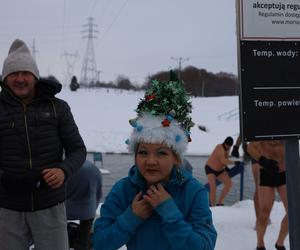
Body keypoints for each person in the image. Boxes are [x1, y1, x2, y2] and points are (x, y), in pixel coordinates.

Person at [93, 74, 217, 250]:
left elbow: (204, 247)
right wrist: (131, 217)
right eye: (143, 152)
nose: (151, 161)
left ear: (176, 158)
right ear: (134, 155)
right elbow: (99, 243)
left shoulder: (193, 192)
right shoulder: (124, 190)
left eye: (161, 153)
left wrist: (169, 211)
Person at [0, 39, 86, 250]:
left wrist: (63, 171)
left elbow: (78, 150)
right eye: (13, 73)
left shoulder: (58, 108)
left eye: (25, 73)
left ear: (35, 76)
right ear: (4, 78)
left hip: (49, 205)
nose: (20, 79)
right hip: (7, 207)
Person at [247, 140, 288, 250]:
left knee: (293, 212)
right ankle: (260, 245)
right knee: (264, 212)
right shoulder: (265, 126)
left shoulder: (287, 126)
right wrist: (263, 161)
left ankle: (280, 243)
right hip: (266, 173)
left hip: (284, 173)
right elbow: (250, 147)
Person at [66, 160, 102, 250]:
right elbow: (98, 195)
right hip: (91, 182)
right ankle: (82, 243)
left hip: (71, 178)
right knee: (85, 228)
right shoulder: (92, 168)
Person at [205, 136, 237, 206]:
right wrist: (235, 162)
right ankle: (213, 207)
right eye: (228, 145)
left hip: (220, 170)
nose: (229, 147)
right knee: (213, 187)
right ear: (224, 143)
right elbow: (223, 160)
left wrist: (227, 167)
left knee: (229, 184)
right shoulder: (219, 147)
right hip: (210, 169)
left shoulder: (228, 149)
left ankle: (220, 203)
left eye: (230, 146)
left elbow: (225, 159)